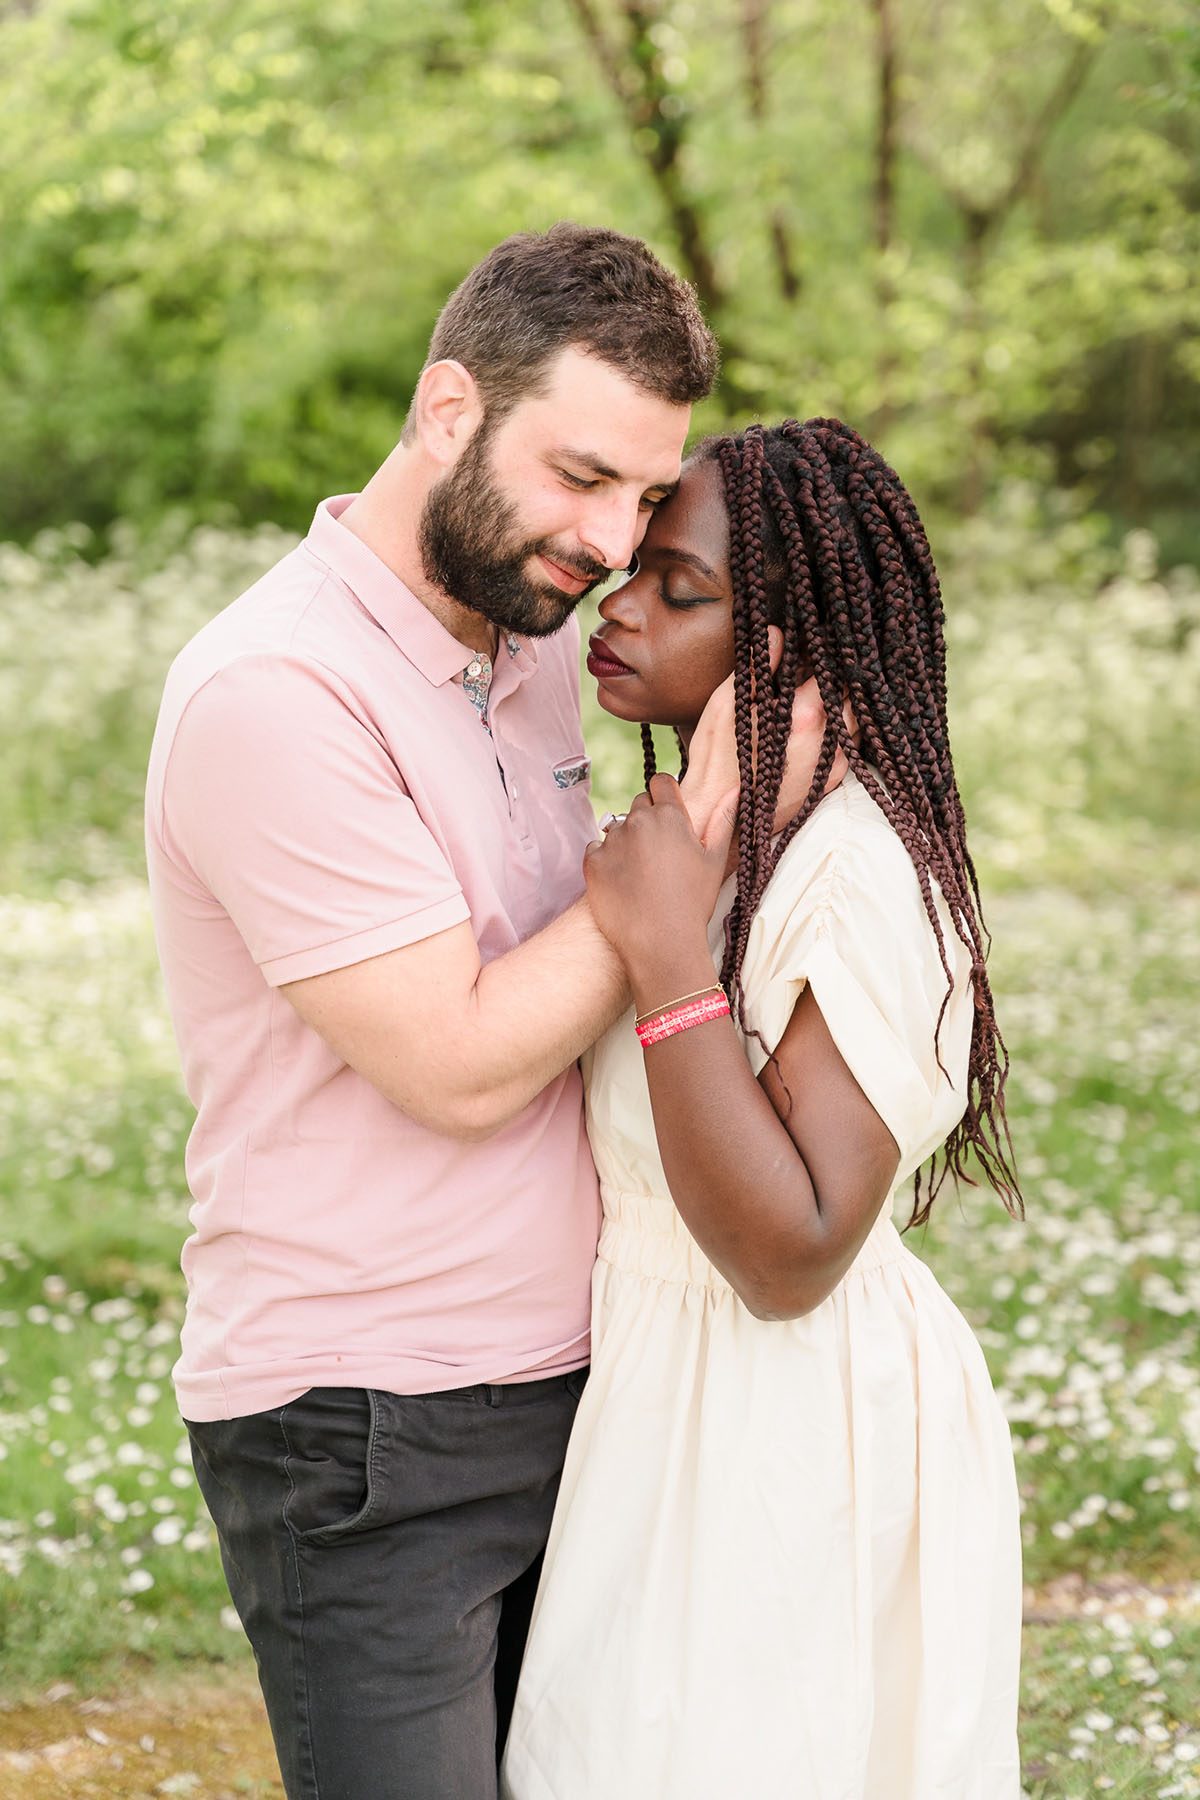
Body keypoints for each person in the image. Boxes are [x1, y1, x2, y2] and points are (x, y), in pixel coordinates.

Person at [501, 420, 1025, 1800]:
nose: (620, 606)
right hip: (666, 1405)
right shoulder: (718, 841)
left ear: (791, 647)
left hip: (782, 1439)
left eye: (683, 590)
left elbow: (791, 1253)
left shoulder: (850, 876)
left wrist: (671, 962)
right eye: (635, 571)